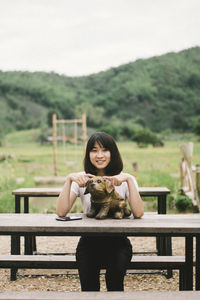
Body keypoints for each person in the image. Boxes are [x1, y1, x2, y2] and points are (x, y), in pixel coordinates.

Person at [56, 132, 144, 291]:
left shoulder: (125, 179)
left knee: (115, 286)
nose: (99, 155)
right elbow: (61, 212)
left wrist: (129, 180)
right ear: (88, 154)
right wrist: (69, 180)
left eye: (104, 150)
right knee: (89, 289)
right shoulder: (83, 179)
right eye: (94, 150)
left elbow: (138, 213)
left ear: (113, 153)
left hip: (118, 243)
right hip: (89, 243)